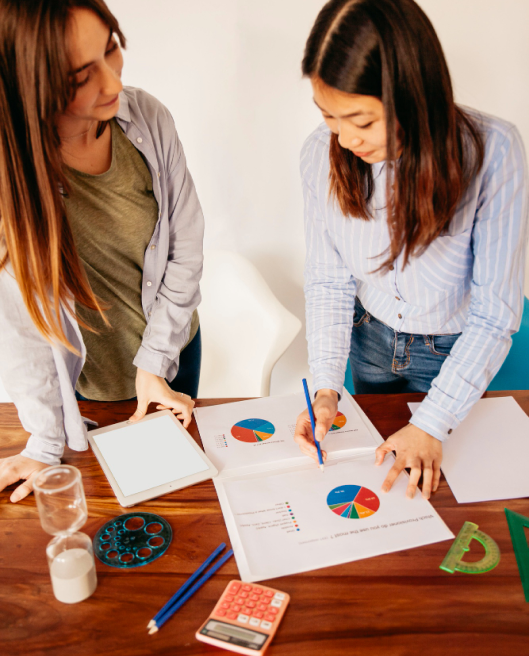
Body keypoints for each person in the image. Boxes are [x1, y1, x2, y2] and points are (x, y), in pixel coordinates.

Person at [294, 0, 528, 498]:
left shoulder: (495, 152)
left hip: (451, 351)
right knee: (379, 486)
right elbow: (329, 282)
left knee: (440, 494)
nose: (344, 137)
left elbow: (494, 313)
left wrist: (433, 421)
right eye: (329, 115)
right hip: (368, 340)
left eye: (360, 119)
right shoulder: (320, 152)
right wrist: (326, 389)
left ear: (412, 95)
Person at [0, 0, 204, 502]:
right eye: (81, 76)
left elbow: (186, 246)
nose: (113, 83)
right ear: (32, 85)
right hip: (84, 381)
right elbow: (20, 326)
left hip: (172, 351)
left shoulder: (147, 118)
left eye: (111, 49)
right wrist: (47, 443)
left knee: (179, 505)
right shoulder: (10, 179)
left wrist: (155, 362)